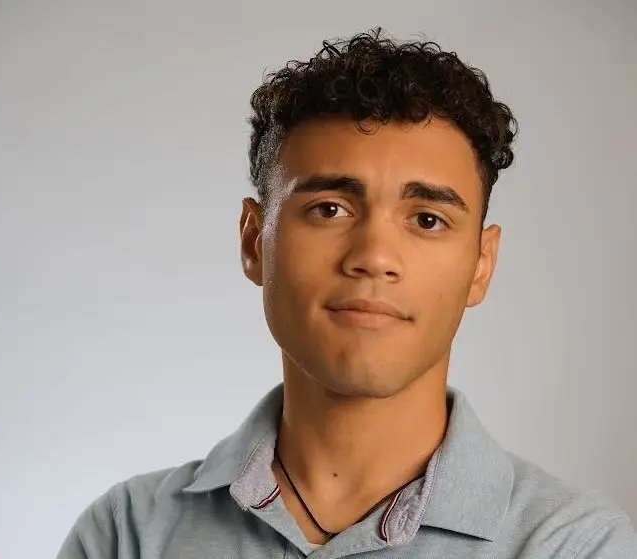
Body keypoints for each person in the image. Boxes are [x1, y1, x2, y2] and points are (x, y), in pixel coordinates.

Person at [56, 28, 637, 558]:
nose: (373, 257)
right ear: (255, 241)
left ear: (481, 265)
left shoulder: (577, 546)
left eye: (427, 219)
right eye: (329, 209)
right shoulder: (128, 534)